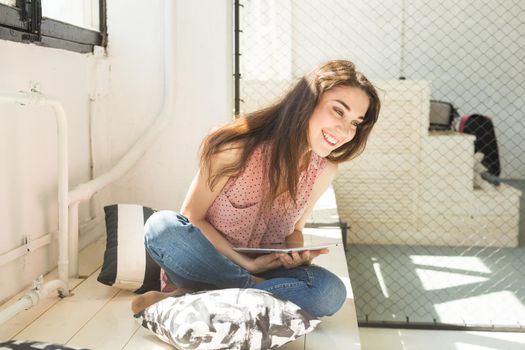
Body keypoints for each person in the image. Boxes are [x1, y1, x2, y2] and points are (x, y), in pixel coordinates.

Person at [131, 60, 381, 318]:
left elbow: (295, 230)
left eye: (355, 123)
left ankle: (190, 299)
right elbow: (193, 218)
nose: (345, 130)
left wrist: (297, 253)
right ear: (307, 102)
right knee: (161, 226)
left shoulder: (324, 170)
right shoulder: (235, 148)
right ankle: (251, 295)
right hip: (205, 263)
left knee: (330, 291)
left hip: (269, 272)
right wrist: (247, 266)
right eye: (339, 111)